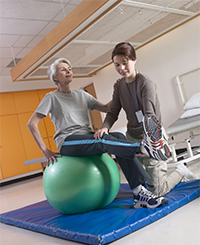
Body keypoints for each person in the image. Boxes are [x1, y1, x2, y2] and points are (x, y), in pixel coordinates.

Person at [27, 58, 168, 209]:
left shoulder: (81, 95)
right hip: (68, 141)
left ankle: (139, 193)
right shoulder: (51, 97)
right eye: (63, 69)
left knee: (118, 137)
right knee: (102, 141)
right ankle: (143, 147)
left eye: (69, 68)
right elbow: (32, 123)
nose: (68, 71)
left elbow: (107, 108)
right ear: (55, 77)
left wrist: (117, 92)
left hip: (86, 136)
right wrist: (45, 151)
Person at [95, 42, 196, 197]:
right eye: (117, 65)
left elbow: (150, 116)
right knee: (141, 183)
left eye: (125, 63)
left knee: (157, 191)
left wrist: (147, 143)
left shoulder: (145, 83)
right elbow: (113, 111)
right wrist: (105, 127)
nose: (121, 68)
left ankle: (180, 171)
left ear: (134, 60)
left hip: (152, 137)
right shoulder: (119, 86)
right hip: (132, 137)